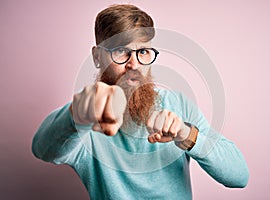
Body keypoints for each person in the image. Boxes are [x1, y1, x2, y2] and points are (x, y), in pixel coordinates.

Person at [32, 4, 249, 200]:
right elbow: (42, 149)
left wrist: (185, 134)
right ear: (97, 57)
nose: (134, 65)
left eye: (143, 52)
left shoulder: (177, 104)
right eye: (121, 51)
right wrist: (76, 115)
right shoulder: (86, 113)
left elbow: (239, 176)